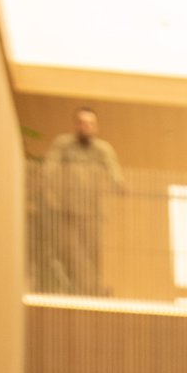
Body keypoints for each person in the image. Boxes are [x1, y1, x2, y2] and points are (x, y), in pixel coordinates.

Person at [43, 108, 124, 295]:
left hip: (92, 212)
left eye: (89, 123)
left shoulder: (102, 149)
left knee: (92, 253)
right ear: (75, 125)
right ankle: (73, 288)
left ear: (96, 127)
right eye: (81, 122)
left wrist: (119, 184)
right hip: (66, 211)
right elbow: (50, 166)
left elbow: (113, 169)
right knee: (68, 253)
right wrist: (46, 186)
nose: (85, 127)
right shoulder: (63, 144)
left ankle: (92, 290)